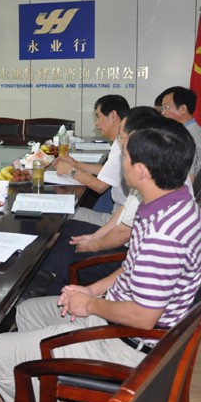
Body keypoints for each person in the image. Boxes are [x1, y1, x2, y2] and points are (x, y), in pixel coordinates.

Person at [0, 116, 201, 402]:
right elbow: (132, 268)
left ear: (140, 170)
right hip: (121, 316)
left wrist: (89, 305)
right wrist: (91, 290)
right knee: (26, 312)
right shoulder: (171, 203)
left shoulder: (163, 235)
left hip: (130, 344)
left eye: (125, 155)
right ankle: (44, 385)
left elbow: (143, 316)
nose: (121, 162)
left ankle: (39, 371)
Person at [34, 107, 162, 296]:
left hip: (124, 255)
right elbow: (125, 210)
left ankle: (49, 287)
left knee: (62, 238)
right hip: (125, 245)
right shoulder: (146, 165)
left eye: (122, 136)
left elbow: (123, 232)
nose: (119, 141)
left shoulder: (147, 174)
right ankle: (48, 281)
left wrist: (94, 244)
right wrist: (95, 237)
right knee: (63, 230)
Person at [54, 94, 130, 226]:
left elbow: (99, 186)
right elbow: (108, 171)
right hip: (121, 214)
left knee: (60, 214)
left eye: (98, 116)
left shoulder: (122, 146)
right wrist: (76, 164)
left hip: (120, 220)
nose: (96, 123)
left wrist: (71, 170)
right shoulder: (121, 141)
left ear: (113, 115)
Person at [158, 86, 201, 181]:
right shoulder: (195, 130)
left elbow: (188, 178)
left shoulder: (186, 137)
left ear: (182, 109)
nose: (163, 113)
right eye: (162, 108)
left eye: (166, 107)